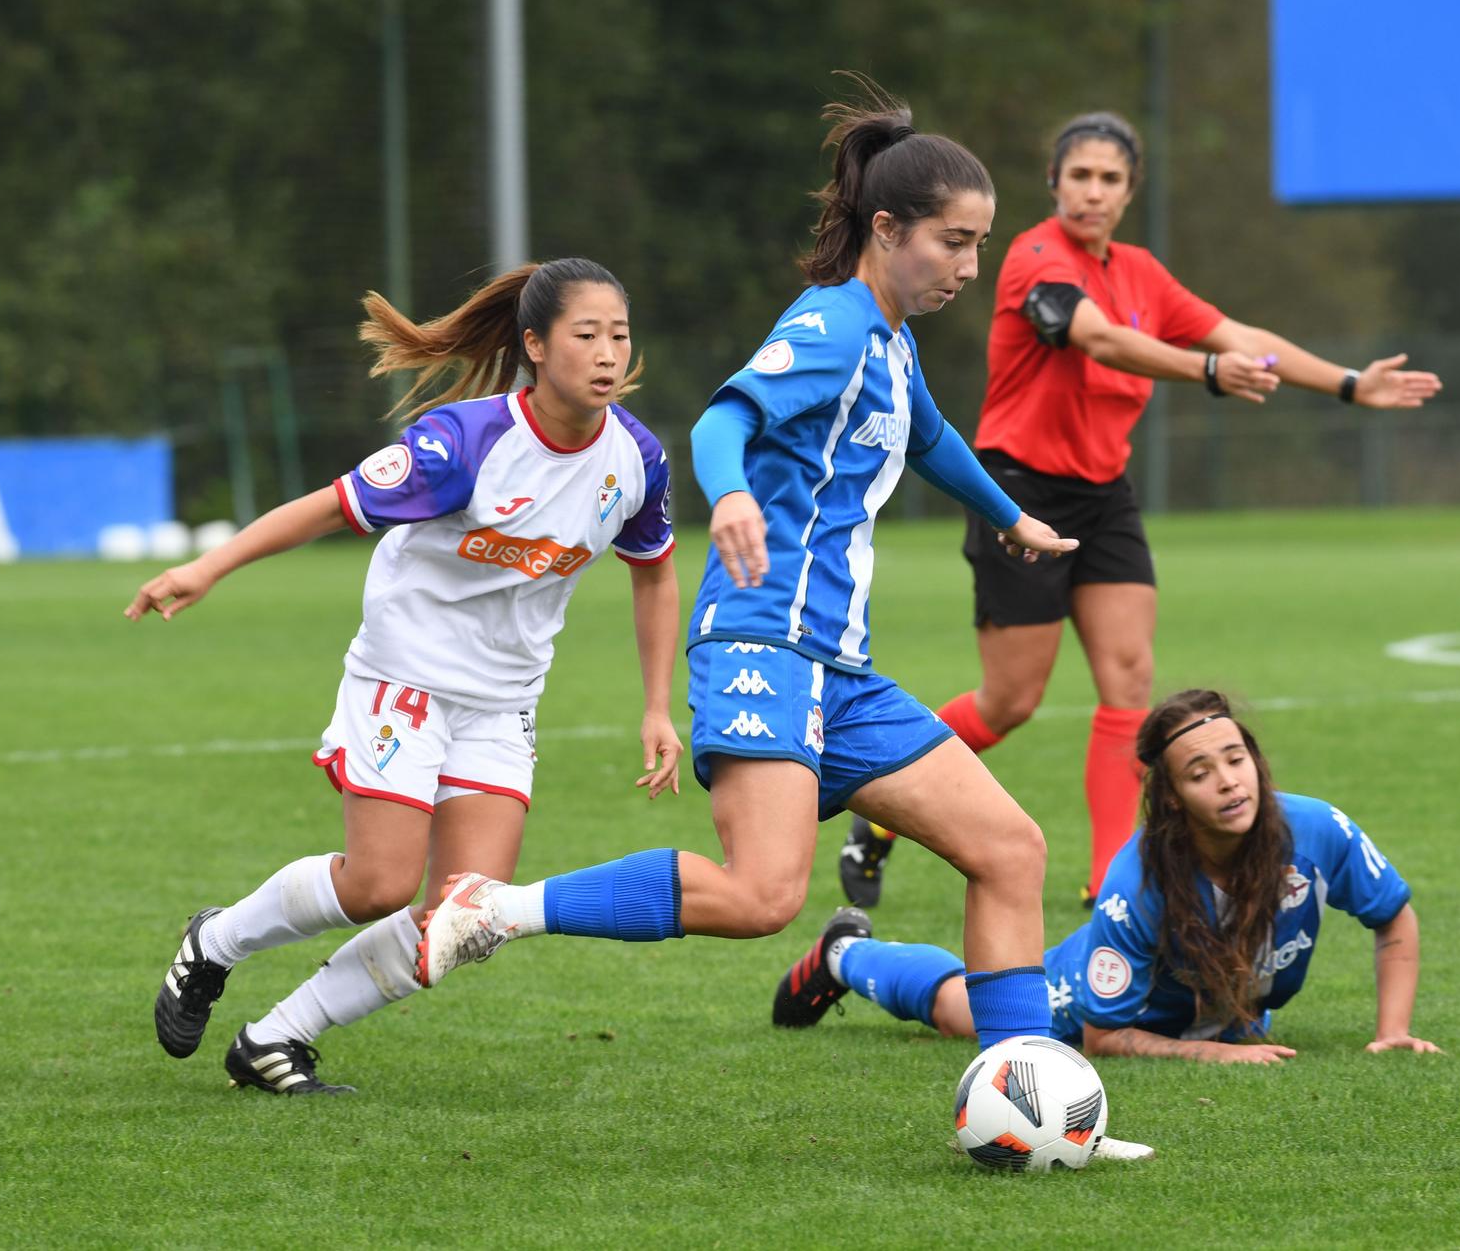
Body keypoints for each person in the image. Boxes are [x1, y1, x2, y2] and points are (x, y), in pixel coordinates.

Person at [413, 83, 1079, 1058]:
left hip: (837, 668)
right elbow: (723, 419)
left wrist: (1012, 516)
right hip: (761, 639)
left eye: (979, 244)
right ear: (887, 229)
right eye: (953, 241)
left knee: (1010, 849)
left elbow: (928, 439)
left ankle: (1029, 1088)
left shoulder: (889, 343)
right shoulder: (833, 325)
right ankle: (497, 906)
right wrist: (726, 496)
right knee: (762, 895)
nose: (969, 266)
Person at [841, 111, 1444, 908]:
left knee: (1128, 681)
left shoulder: (1140, 272)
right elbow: (1098, 340)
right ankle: (877, 818)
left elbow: (1241, 334)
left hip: (1105, 495)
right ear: (1055, 183)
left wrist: (1345, 382)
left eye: (1111, 178)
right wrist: (1207, 370)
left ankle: (1107, 882)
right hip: (1020, 487)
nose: (1094, 192)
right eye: (1080, 175)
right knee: (1011, 699)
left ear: (1130, 191)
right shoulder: (1032, 257)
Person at [136, 257, 681, 1094]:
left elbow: (654, 571)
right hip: (406, 677)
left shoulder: (636, 458)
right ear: (536, 345)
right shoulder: (465, 444)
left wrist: (655, 706)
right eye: (587, 335)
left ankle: (276, 1038)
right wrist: (208, 567)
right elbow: (330, 505)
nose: (609, 353)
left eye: (620, 334)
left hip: (503, 701)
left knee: (466, 915)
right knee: (378, 885)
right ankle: (217, 941)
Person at [791, 688, 1439, 1063]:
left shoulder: (1318, 829)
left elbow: (1393, 916)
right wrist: (1217, 1053)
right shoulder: (1139, 878)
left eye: (1236, 758)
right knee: (964, 1010)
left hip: (1219, 1013)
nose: (1227, 781)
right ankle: (846, 952)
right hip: (1093, 997)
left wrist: (1392, 1029)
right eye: (1199, 772)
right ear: (1173, 798)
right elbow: (1104, 1035)